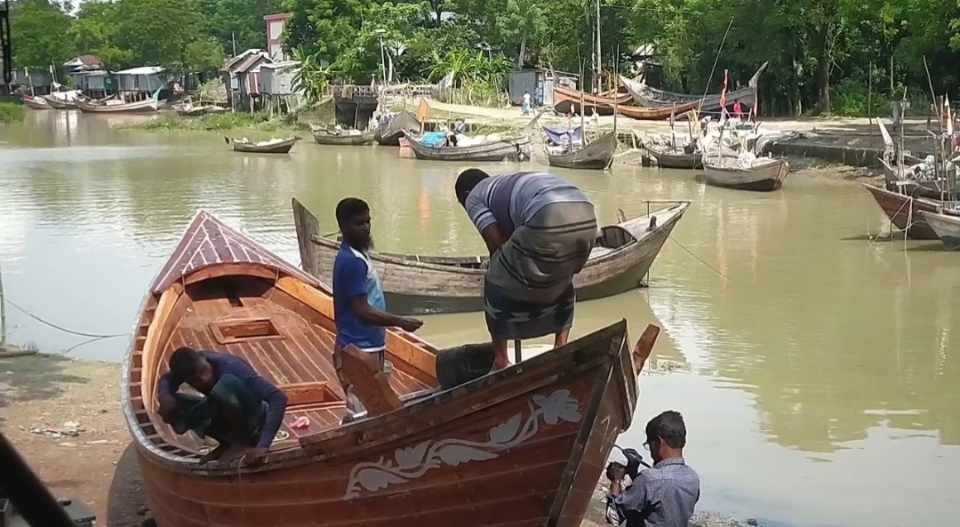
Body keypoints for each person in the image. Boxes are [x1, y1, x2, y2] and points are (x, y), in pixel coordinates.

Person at [455, 170, 597, 369]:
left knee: (494, 274)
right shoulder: (503, 183)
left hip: (547, 214)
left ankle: (501, 360)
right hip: (587, 214)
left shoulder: (474, 196)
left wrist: (508, 281)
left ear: (465, 194)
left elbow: (495, 243)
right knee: (562, 276)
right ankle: (560, 349)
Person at [333, 198, 423, 412]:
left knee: (370, 404)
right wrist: (400, 321)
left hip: (369, 343)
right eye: (359, 224)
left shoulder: (358, 254)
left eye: (368, 222)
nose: (365, 228)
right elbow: (361, 310)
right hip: (360, 347)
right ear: (343, 226)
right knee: (364, 409)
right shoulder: (352, 262)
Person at [156, 346, 288, 466]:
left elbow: (278, 397)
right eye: (196, 380)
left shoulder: (232, 367)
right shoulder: (187, 367)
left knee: (224, 387)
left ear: (204, 359)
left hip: (255, 419)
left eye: (204, 370)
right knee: (173, 404)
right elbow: (166, 379)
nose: (205, 379)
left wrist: (263, 445)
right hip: (226, 412)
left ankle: (241, 443)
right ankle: (227, 443)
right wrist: (165, 397)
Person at [613, 411, 700, 527]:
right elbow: (660, 500)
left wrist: (616, 479)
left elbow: (614, 515)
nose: (651, 453)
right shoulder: (692, 479)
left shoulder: (650, 479)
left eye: (649, 445)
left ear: (659, 442)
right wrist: (634, 472)